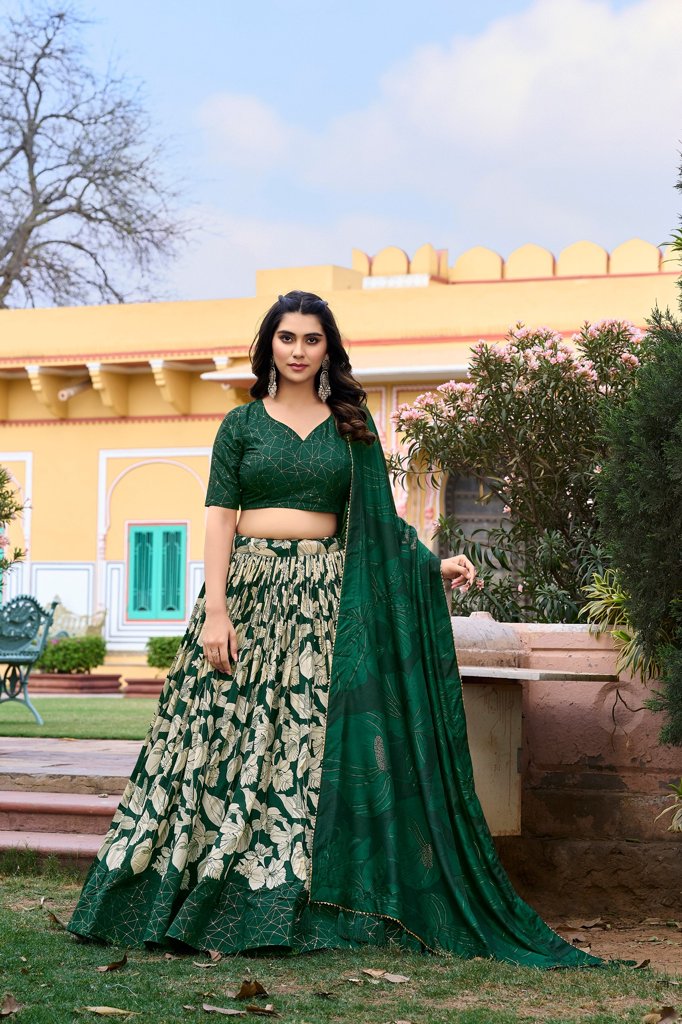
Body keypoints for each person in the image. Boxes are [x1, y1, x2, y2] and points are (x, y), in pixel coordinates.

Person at [67, 291, 600, 968]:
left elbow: (377, 529)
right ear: (269, 346)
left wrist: (430, 569)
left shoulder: (350, 428)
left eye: (310, 339)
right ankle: (192, 888)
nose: (296, 350)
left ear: (328, 349)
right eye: (286, 337)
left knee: (300, 750)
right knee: (218, 745)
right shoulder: (240, 425)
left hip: (322, 607)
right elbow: (218, 519)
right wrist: (219, 610)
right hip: (248, 598)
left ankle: (296, 898)